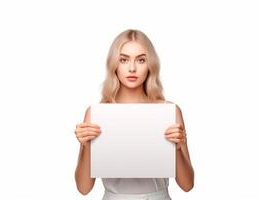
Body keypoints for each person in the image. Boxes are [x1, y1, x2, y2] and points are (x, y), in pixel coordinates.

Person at [74, 29, 194, 200]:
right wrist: (86, 147)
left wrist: (178, 148)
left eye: (141, 60)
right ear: (114, 65)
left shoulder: (168, 112)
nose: (132, 68)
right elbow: (83, 189)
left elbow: (187, 185)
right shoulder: (97, 114)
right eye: (123, 60)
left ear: (150, 64)